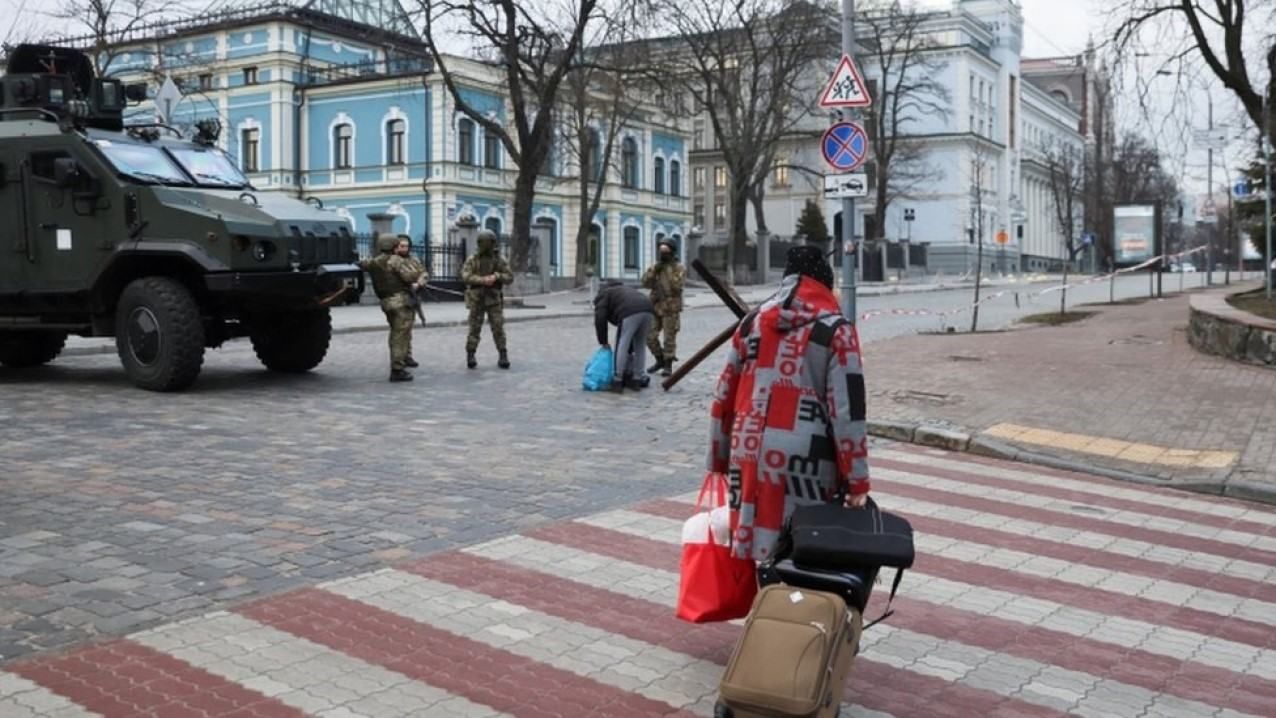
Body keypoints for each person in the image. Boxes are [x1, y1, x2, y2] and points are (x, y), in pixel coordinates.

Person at [707, 245, 871, 561]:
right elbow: (848, 410)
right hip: (807, 457)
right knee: (803, 550)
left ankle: (766, 605)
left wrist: (718, 457)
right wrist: (857, 481)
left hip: (748, 449)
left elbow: (724, 393)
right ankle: (792, 608)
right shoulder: (837, 329)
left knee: (759, 550)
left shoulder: (751, 322)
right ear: (825, 282)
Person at [358, 233, 426, 382]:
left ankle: (398, 363)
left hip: (386, 303)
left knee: (395, 334)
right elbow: (409, 277)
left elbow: (362, 265)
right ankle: (397, 369)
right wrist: (418, 276)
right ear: (394, 246)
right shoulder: (396, 260)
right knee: (400, 336)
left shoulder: (374, 262)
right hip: (401, 302)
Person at [460, 229, 513, 369]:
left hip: (493, 299)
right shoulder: (473, 259)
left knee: (498, 327)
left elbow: (509, 277)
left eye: (489, 242)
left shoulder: (499, 260)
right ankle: (470, 354)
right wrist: (482, 280)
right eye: (485, 243)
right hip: (476, 299)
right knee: (474, 328)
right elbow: (465, 276)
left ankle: (503, 354)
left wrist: (497, 276)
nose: (487, 245)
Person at [593, 280, 654, 393]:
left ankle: (617, 380)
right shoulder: (625, 291)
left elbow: (600, 319)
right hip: (648, 308)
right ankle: (637, 379)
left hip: (629, 311)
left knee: (622, 343)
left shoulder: (604, 295)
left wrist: (604, 342)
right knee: (640, 345)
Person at [642, 239, 686, 377]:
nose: (663, 254)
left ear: (672, 252)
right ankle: (659, 359)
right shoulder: (656, 266)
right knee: (649, 336)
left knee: (669, 337)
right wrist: (655, 269)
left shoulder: (679, 268)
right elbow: (645, 283)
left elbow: (677, 286)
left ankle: (668, 364)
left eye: (666, 252)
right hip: (655, 306)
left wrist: (667, 270)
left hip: (671, 308)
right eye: (661, 251)